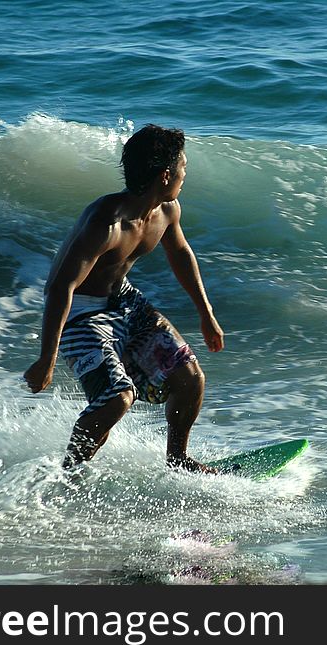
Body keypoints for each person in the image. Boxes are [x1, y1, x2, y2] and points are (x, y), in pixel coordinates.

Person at [23, 124, 224, 473]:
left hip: (125, 303)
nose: (184, 175)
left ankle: (177, 459)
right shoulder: (107, 222)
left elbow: (180, 253)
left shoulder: (166, 211)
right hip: (80, 314)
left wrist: (206, 313)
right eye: (183, 169)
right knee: (117, 398)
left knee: (189, 379)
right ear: (165, 175)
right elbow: (60, 287)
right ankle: (68, 474)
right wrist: (47, 358)